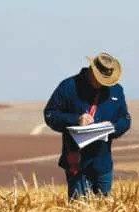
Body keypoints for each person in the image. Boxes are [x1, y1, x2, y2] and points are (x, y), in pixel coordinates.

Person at [43, 52, 131, 200]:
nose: (104, 83)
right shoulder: (68, 87)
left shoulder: (116, 90)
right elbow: (50, 114)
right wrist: (75, 120)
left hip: (103, 164)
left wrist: (113, 127)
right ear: (92, 71)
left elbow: (126, 119)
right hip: (77, 164)